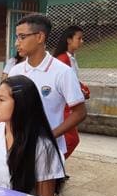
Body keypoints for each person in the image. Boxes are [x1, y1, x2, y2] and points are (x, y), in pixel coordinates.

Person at [8, 14, 87, 155]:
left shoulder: (63, 72)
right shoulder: (15, 71)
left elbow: (80, 113)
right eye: (17, 37)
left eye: (22, 37)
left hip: (48, 151)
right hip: (19, 147)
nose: (16, 43)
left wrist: (50, 135)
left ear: (39, 37)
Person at [53, 25, 91, 159]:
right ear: (69, 40)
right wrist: (80, 90)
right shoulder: (63, 59)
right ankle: (54, 167)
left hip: (68, 105)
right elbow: (63, 83)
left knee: (67, 140)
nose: (82, 41)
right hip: (64, 106)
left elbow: (72, 80)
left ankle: (57, 169)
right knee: (71, 140)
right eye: (79, 38)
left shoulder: (70, 57)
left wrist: (81, 87)